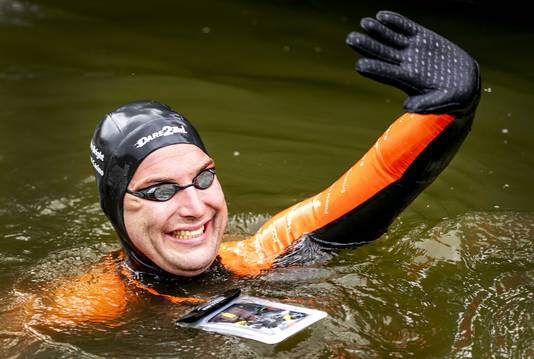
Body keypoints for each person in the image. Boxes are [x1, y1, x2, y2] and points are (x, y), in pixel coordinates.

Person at [52, 10, 481, 323]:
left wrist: (451, 111)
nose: (195, 207)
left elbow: (385, 176)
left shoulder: (266, 255)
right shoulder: (85, 308)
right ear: (116, 206)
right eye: (161, 190)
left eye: (204, 178)